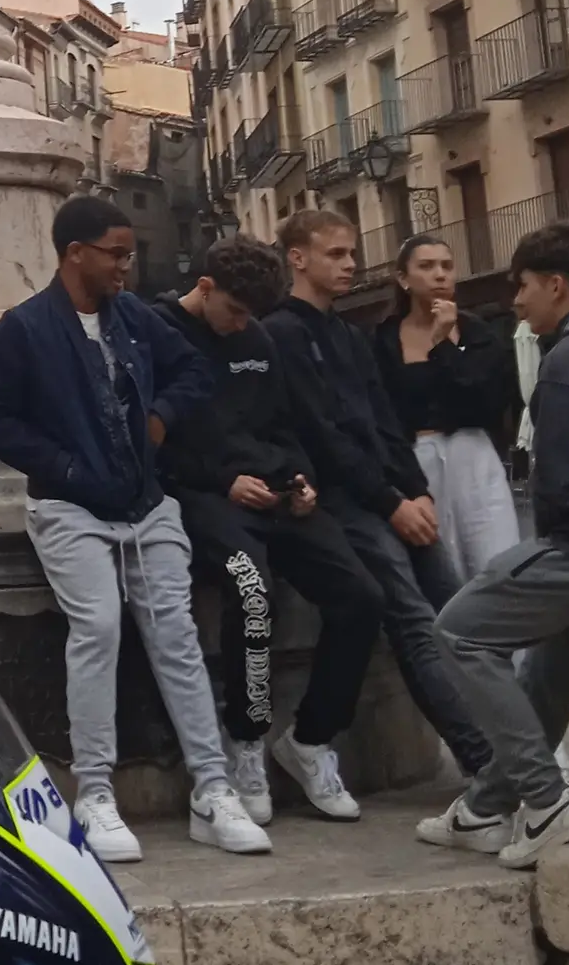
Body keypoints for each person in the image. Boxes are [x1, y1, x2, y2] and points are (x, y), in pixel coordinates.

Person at [0, 195, 266, 861]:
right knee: (98, 626)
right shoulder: (25, 329)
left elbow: (193, 370)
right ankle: (94, 793)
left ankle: (213, 788)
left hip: (147, 503)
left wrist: (158, 416)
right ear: (76, 253)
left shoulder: (135, 316)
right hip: (68, 507)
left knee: (177, 633)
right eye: (116, 253)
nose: (127, 266)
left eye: (128, 254)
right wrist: (65, 467)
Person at [151, 239, 385, 823]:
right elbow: (153, 442)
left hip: (279, 495)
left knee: (361, 597)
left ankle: (310, 739)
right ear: (205, 288)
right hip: (204, 500)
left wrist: (301, 481)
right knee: (254, 592)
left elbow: (284, 424)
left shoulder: (256, 339)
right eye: (233, 311)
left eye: (251, 315)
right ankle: (246, 741)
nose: (241, 325)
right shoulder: (156, 332)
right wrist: (223, 482)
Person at [261, 210, 493, 780]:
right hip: (343, 504)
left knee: (462, 612)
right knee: (413, 618)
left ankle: (515, 749)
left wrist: (416, 491)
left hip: (391, 494)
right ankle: (485, 765)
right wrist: (392, 503)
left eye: (351, 253)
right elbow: (322, 434)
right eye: (336, 254)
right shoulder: (281, 333)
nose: (350, 264)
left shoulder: (348, 335)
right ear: (298, 258)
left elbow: (382, 422)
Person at [423, 222, 569, 868]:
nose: (516, 300)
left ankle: (548, 799)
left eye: (524, 286)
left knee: (460, 630)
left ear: (557, 285)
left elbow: (561, 495)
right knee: (551, 672)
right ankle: (483, 808)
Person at [373, 235, 521, 582]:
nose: (440, 274)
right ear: (403, 279)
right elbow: (382, 412)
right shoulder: (382, 340)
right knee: (442, 567)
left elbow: (485, 401)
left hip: (474, 455)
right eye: (426, 266)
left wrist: (443, 344)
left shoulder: (477, 332)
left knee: (496, 562)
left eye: (446, 266)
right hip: (416, 462)